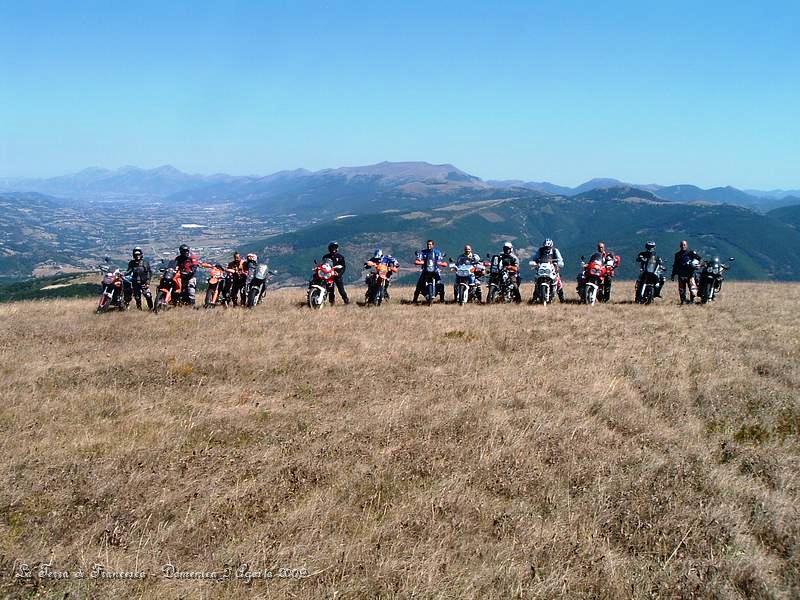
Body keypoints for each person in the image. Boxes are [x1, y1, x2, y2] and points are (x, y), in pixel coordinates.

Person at [413, 239, 446, 303]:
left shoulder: (437, 252)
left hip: (435, 271)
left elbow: (440, 260)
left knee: (440, 284)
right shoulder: (423, 252)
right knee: (419, 284)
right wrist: (419, 262)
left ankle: (442, 300)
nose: (429, 246)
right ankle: (414, 300)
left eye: (430, 244)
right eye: (428, 244)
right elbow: (418, 260)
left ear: (433, 245)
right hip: (425, 270)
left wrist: (442, 263)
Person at [671, 240, 702, 304]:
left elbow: (699, 258)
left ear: (687, 245)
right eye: (682, 245)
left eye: (684, 245)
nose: (683, 246)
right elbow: (675, 265)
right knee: (681, 289)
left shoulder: (691, 253)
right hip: (681, 275)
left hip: (690, 274)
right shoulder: (677, 255)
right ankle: (683, 301)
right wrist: (673, 274)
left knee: (692, 289)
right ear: (680, 246)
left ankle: (692, 301)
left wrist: (699, 265)